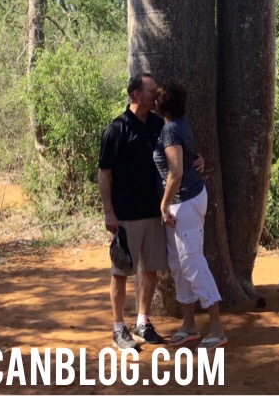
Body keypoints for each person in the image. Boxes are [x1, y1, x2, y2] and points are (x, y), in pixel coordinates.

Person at [153, 81, 228, 349]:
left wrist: (164, 205)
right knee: (178, 264)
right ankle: (189, 325)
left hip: (184, 202)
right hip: (182, 202)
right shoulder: (178, 125)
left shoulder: (171, 130)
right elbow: (189, 159)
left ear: (161, 105)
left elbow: (176, 173)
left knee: (192, 262)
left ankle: (217, 327)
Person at [97, 73, 168, 351]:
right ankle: (118, 328)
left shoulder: (157, 124)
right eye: (152, 91)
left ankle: (142, 321)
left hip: (153, 212)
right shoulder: (116, 129)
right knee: (121, 272)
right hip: (125, 215)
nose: (156, 95)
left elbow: (173, 153)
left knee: (150, 270)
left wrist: (195, 159)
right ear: (137, 95)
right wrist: (109, 212)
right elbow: (104, 174)